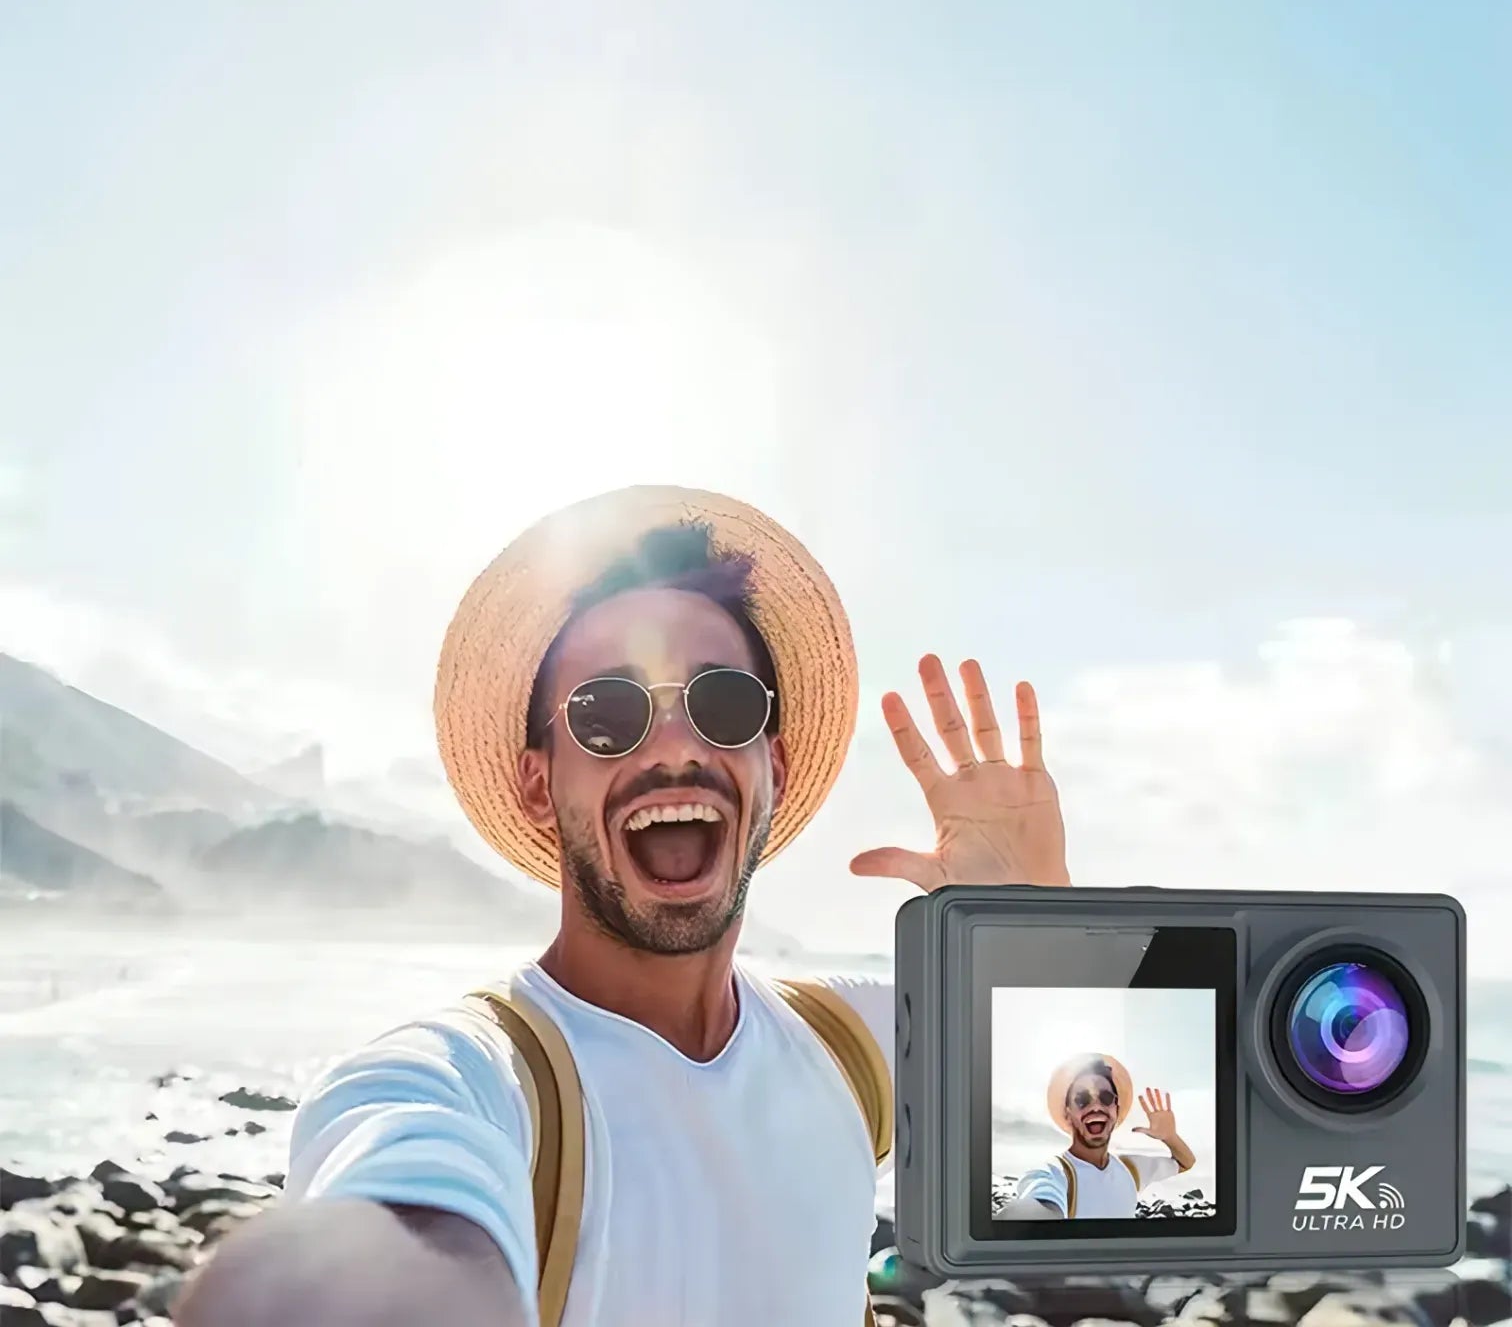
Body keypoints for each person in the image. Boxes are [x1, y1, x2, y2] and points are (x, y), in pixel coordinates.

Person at [177, 484, 1073, 1327]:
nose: (675, 743)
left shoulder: (848, 1050)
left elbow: (1068, 1048)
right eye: (608, 712)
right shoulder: (470, 1079)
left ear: (777, 767)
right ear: (538, 783)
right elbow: (378, 1229)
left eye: (722, 702)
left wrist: (1034, 920)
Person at [1004, 1054, 1195, 1220]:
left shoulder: (1130, 1170)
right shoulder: (1054, 1173)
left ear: (1116, 1109)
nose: (1096, 1107)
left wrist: (1169, 1137)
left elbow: (1185, 1162)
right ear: (1068, 1113)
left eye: (1106, 1098)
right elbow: (1034, 1210)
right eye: (1082, 1099)